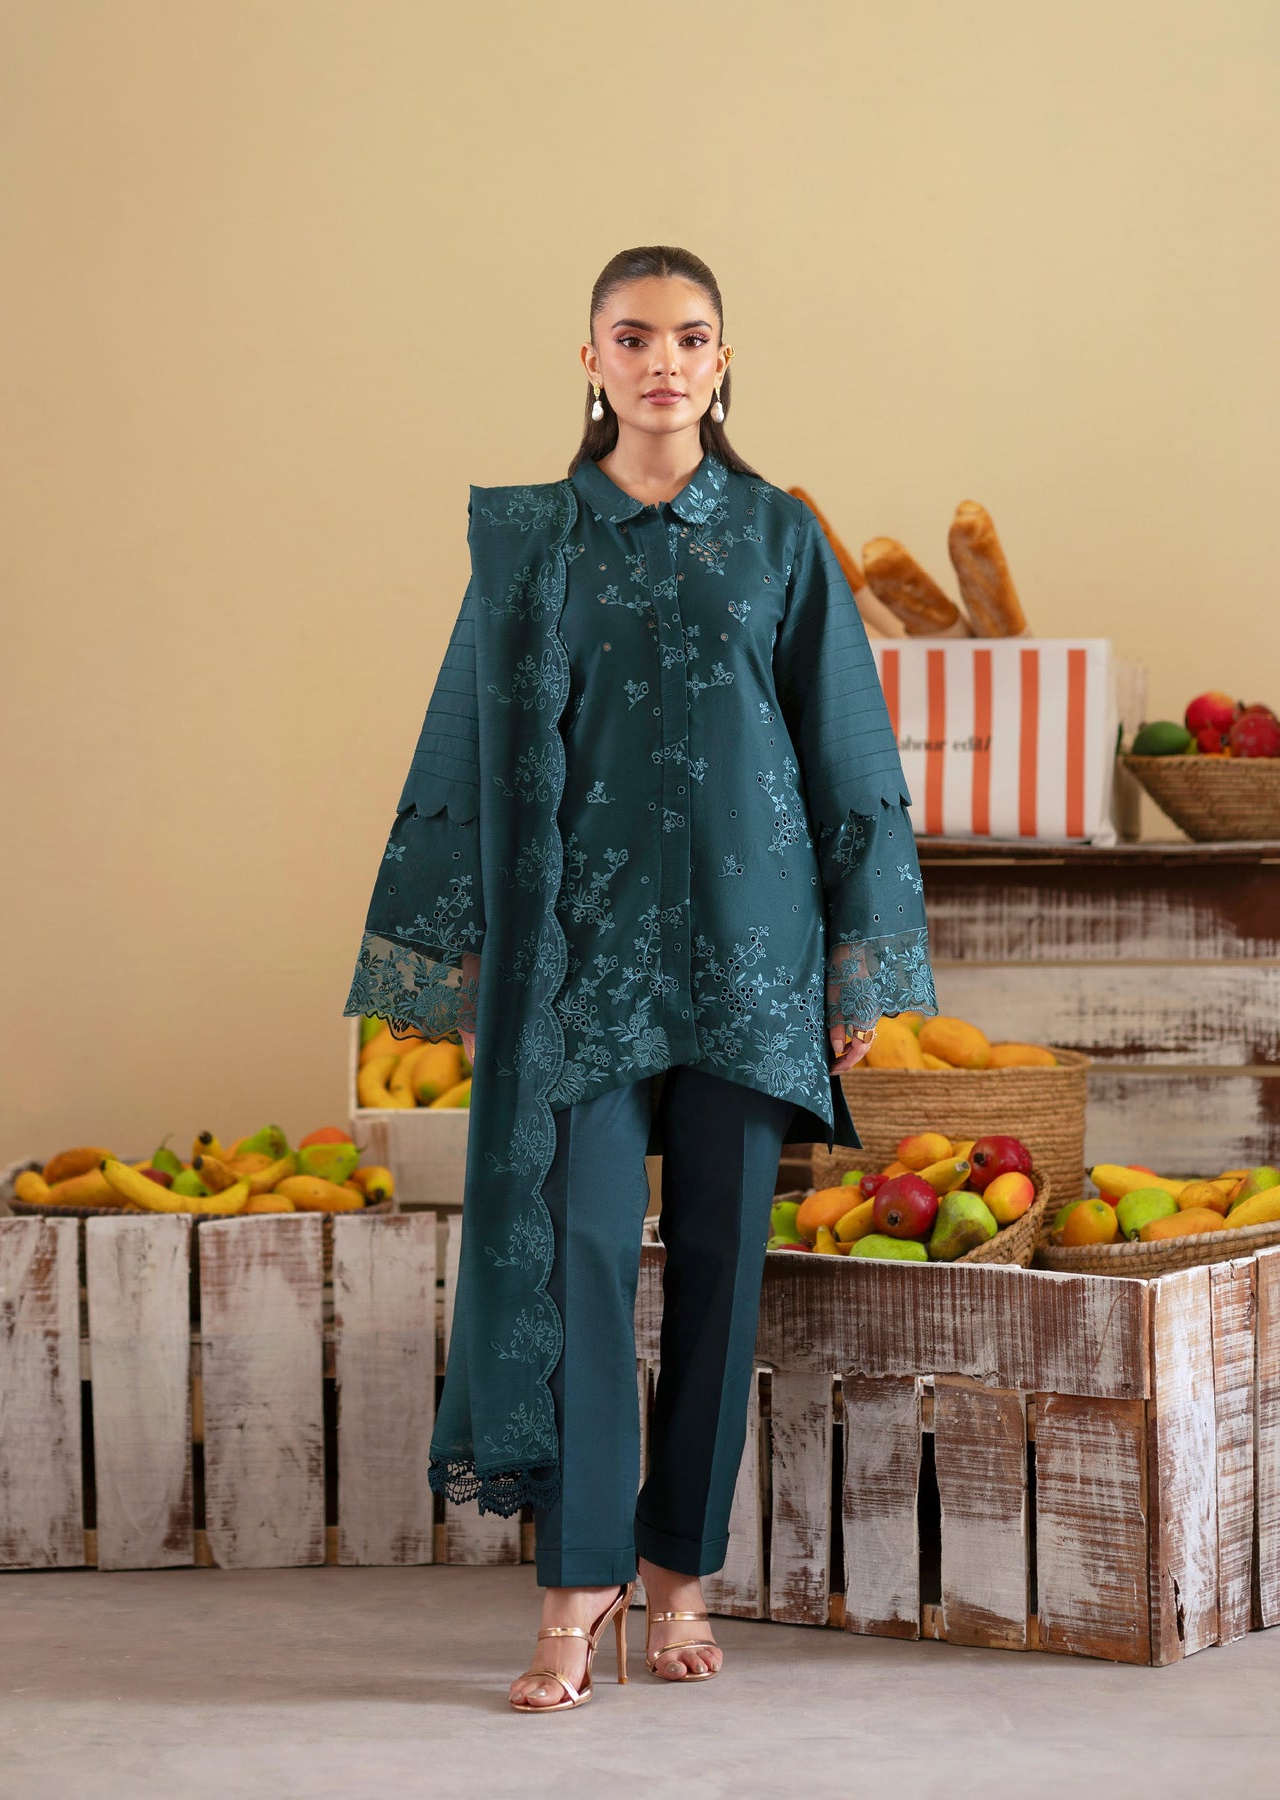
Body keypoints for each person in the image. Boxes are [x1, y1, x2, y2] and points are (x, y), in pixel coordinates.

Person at [342, 245, 938, 1713]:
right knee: (584, 1261)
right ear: (590, 360)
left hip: (753, 955)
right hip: (579, 962)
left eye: (689, 336)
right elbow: (463, 744)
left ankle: (679, 1576)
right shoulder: (533, 542)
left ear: (723, 360)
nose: (662, 360)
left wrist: (855, 969)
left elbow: (847, 752)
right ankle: (578, 1586)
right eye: (632, 336)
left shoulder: (778, 537)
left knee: (724, 1270)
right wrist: (468, 966)